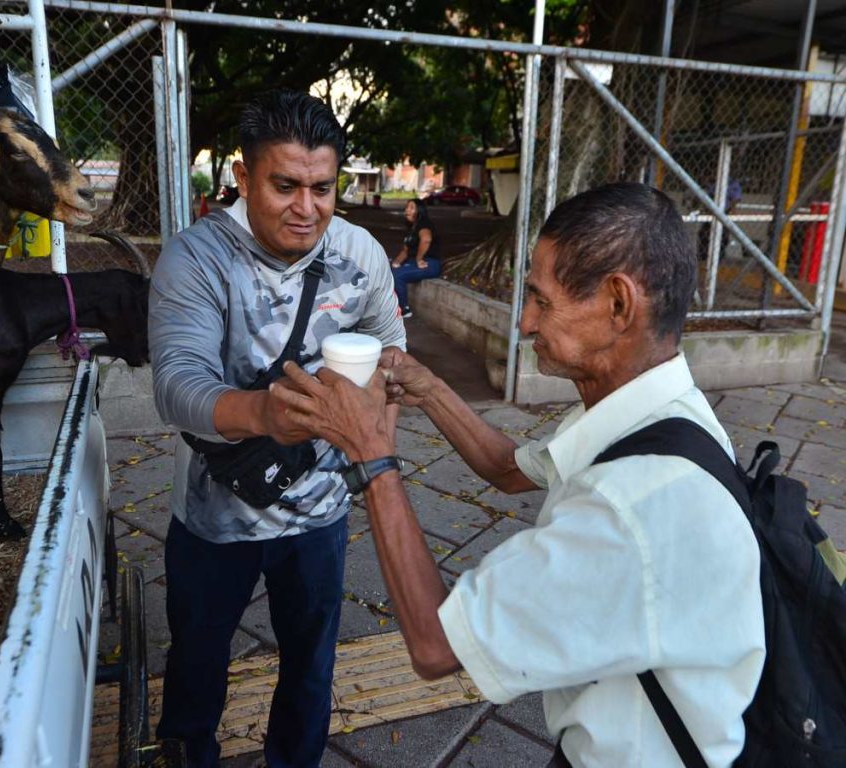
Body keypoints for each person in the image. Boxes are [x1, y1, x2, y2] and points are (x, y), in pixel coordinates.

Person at [272, 182, 765, 767]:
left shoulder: (632, 507)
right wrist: (429, 389)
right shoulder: (661, 416)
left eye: (541, 300)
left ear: (618, 304)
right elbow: (509, 469)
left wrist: (372, 454)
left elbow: (435, 646)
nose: (525, 322)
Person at [148, 90, 406, 768]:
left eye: (323, 188)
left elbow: (394, 357)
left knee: (311, 666)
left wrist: (377, 463)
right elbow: (177, 387)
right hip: (214, 519)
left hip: (321, 513)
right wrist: (262, 413)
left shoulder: (360, 254)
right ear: (242, 177)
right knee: (198, 663)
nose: (307, 208)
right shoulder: (196, 258)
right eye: (285, 185)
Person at [390, 197, 441, 317]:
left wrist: (419, 259)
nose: (407, 210)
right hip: (414, 262)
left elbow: (426, 240)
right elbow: (405, 251)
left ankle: (404, 309)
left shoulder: (424, 224)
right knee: (387, 268)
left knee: (397, 275)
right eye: (407, 207)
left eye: (412, 208)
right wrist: (396, 262)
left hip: (429, 263)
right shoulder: (411, 228)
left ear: (420, 211)